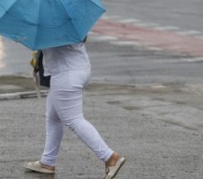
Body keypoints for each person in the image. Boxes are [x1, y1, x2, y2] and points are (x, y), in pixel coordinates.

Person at [24, 41, 126, 179]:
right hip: (79, 68)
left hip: (65, 73)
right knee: (53, 117)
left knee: (74, 120)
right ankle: (47, 162)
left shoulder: (49, 25)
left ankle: (110, 157)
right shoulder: (68, 22)